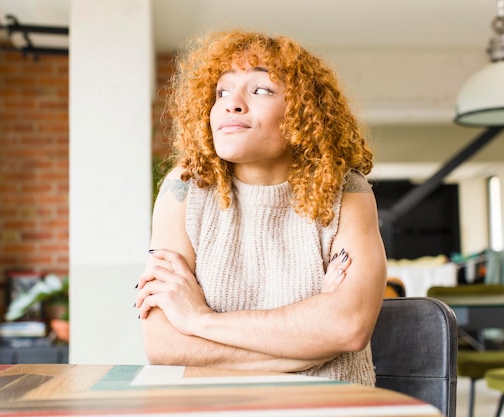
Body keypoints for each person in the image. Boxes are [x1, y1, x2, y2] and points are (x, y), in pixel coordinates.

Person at [135, 30, 387, 386]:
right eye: (222, 91)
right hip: (215, 408)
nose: (231, 104)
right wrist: (310, 345)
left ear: (303, 113)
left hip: (328, 406)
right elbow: (163, 345)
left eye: (261, 90)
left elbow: (347, 327)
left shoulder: (346, 189)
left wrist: (199, 321)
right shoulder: (185, 187)